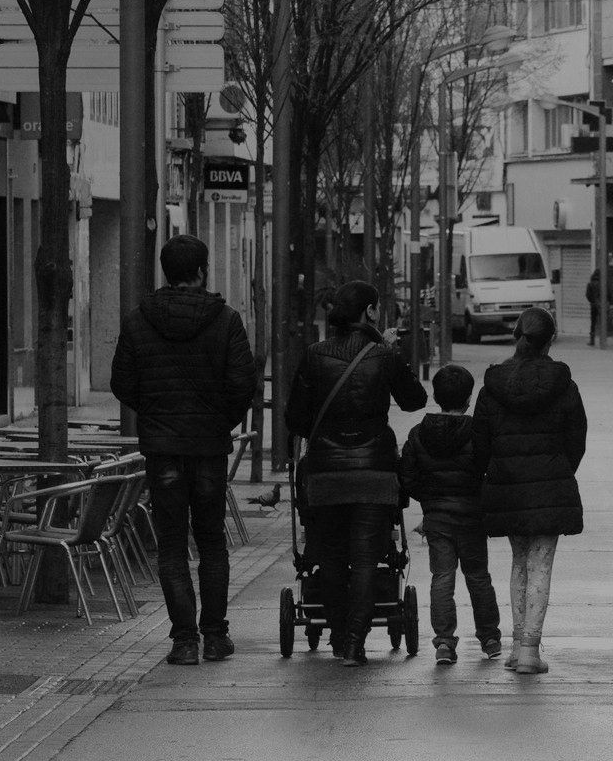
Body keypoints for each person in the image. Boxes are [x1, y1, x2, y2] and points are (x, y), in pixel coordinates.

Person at [110, 235, 256, 666]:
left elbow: (123, 383)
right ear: (202, 271)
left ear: (166, 272)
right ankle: (214, 635)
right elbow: (241, 385)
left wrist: (156, 416)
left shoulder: (138, 320)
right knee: (212, 541)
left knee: (172, 543)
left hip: (163, 449)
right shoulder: (226, 320)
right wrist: (217, 423)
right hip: (209, 448)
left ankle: (184, 640)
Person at [285, 280, 427, 667]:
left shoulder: (314, 355)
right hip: (374, 474)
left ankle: (336, 633)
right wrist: (395, 356)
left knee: (330, 557)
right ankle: (355, 643)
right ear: (370, 312)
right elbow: (415, 399)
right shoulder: (384, 355)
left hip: (327, 474)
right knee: (366, 558)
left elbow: (295, 417)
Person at [473, 308, 587, 674]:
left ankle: (515, 645)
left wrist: (494, 472)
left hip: (507, 487)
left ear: (516, 336)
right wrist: (559, 471)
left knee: (518, 563)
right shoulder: (564, 386)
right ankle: (529, 651)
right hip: (550, 487)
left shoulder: (493, 386)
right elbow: (576, 441)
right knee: (541, 566)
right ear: (549, 340)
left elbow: (480, 444)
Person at [399, 364, 501, 666]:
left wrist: (429, 499)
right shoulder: (477, 433)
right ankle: (490, 638)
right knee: (479, 577)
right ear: (469, 398)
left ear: (435, 395)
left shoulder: (418, 434)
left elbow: (407, 476)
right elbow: (490, 469)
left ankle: (444, 642)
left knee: (442, 577)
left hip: (438, 518)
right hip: (471, 516)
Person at [585, 268, 613, 347]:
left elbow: (588, 295)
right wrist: (609, 301)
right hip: (603, 305)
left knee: (593, 322)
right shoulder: (604, 283)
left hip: (593, 305)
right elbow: (609, 294)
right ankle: (604, 339)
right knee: (604, 321)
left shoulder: (590, 284)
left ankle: (592, 340)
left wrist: (593, 301)